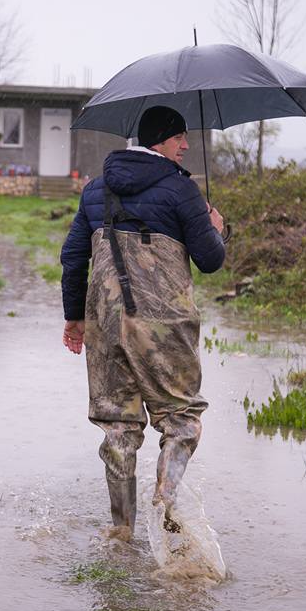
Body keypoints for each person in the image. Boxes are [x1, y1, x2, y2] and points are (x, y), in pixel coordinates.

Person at [59, 105, 225, 537]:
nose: (187, 146)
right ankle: (163, 503)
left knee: (118, 426)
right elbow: (210, 260)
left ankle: (121, 530)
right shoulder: (182, 191)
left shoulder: (95, 190)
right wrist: (217, 228)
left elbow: (73, 257)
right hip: (164, 327)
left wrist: (75, 317)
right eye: (180, 138)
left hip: (106, 326)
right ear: (160, 141)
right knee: (181, 419)